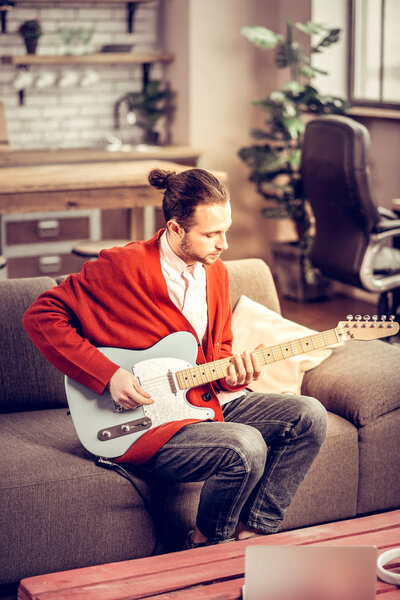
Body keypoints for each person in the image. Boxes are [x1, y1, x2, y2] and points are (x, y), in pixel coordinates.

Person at [23, 167, 327, 549]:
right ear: (175, 228)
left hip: (202, 405)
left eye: (226, 230)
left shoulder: (215, 272)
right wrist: (108, 375)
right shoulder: (123, 266)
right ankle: (203, 545)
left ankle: (253, 536)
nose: (224, 244)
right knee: (244, 446)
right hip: (146, 424)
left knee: (308, 415)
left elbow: (217, 356)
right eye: (211, 233)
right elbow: (41, 315)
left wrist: (234, 375)